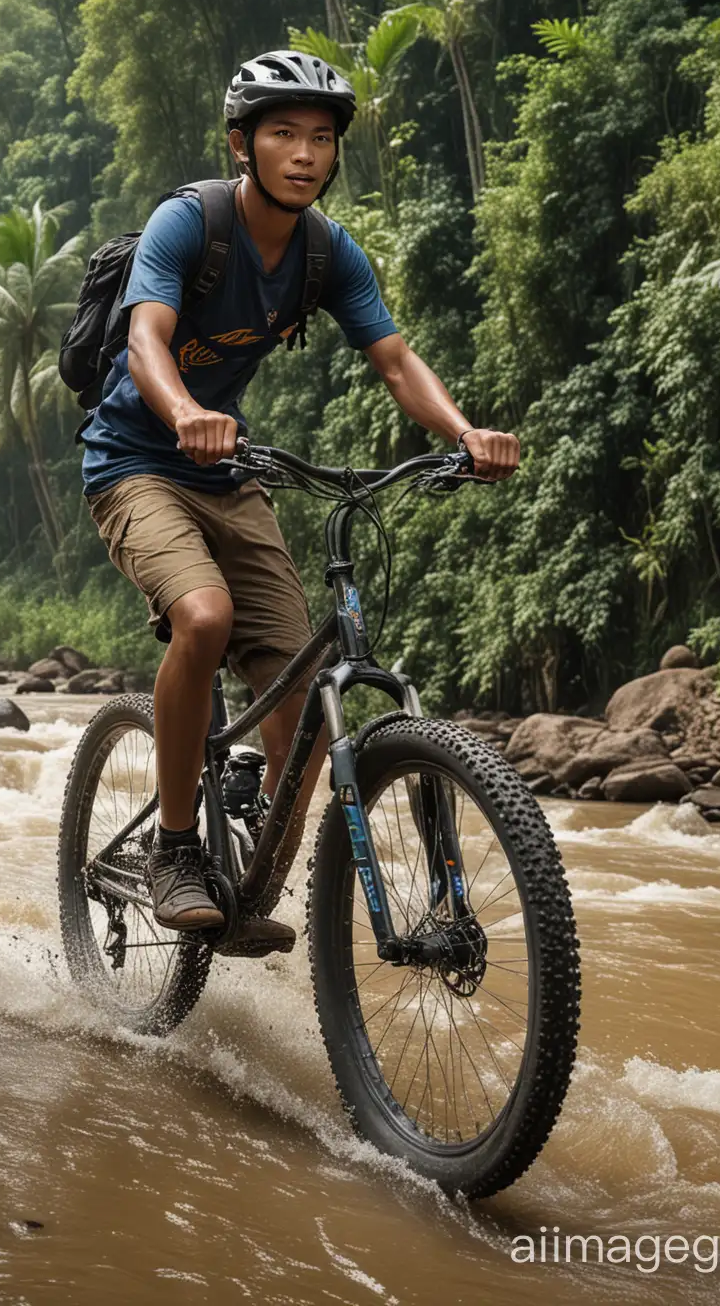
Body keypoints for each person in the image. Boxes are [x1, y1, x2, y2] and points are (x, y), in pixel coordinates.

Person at [81, 49, 520, 940]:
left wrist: (465, 432)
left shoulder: (326, 251)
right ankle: (174, 849)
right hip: (134, 462)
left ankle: (253, 896)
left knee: (305, 700)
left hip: (228, 476)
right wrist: (187, 412)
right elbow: (146, 345)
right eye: (283, 133)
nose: (304, 153)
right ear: (242, 144)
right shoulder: (187, 225)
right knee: (203, 618)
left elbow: (394, 359)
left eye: (321, 138)